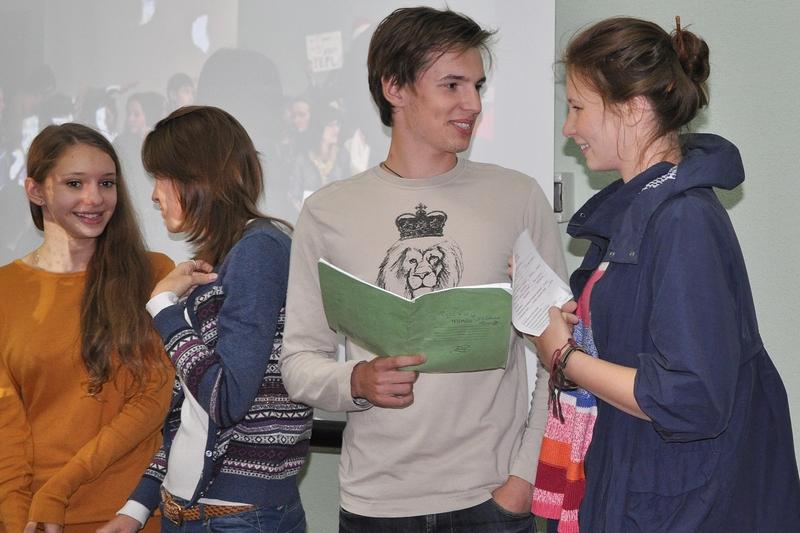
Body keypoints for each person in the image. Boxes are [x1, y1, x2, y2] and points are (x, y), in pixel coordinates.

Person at [280, 7, 566, 532]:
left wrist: (525, 479)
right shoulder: (327, 211)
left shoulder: (518, 197)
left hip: (492, 499)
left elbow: (560, 356)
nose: (472, 104)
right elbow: (299, 362)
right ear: (395, 87)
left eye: (477, 86)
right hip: (376, 504)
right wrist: (356, 380)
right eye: (452, 85)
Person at [529, 16, 800, 532]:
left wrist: (564, 358)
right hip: (641, 487)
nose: (568, 128)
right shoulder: (639, 213)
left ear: (632, 109)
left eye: (578, 108)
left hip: (681, 508)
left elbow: (690, 396)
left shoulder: (682, 220)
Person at [101, 106, 312, 533]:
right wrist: (137, 507)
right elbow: (192, 414)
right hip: (190, 512)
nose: (154, 195)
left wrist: (164, 307)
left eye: (161, 177)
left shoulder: (259, 251)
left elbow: (226, 400)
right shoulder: (227, 259)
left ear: (200, 177)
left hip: (238, 517)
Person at [0, 123, 174, 533]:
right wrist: (17, 520)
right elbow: (6, 427)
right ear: (35, 191)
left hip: (131, 517)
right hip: (37, 520)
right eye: (75, 183)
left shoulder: (153, 274)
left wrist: (58, 490)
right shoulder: (6, 289)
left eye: (107, 183)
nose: (94, 198)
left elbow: (153, 401)